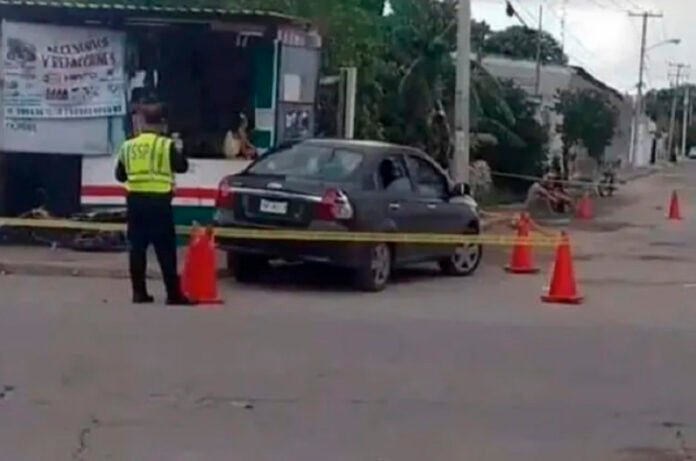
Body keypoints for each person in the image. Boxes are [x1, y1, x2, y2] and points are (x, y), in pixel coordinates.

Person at [115, 110, 193, 305]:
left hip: (135, 203)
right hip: (159, 203)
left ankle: (139, 293)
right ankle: (173, 294)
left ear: (143, 124)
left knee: (137, 249)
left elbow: (120, 176)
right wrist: (179, 150)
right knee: (165, 250)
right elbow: (182, 167)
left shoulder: (127, 146)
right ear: (161, 125)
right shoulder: (165, 145)